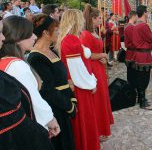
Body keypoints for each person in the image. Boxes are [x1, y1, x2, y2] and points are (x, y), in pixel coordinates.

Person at [0, 16, 60, 136]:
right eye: (29, 33)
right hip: (27, 128)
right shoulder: (17, 65)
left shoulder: (6, 61)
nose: (35, 36)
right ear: (18, 38)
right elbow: (33, 99)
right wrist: (50, 119)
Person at [27, 14, 76, 150]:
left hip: (63, 104)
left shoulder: (52, 50)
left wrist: (71, 96)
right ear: (45, 33)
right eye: (56, 30)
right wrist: (69, 106)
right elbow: (47, 91)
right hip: (55, 109)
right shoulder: (36, 58)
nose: (59, 33)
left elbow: (61, 79)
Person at [56, 9, 100, 150]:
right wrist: (91, 82)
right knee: (84, 121)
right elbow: (77, 70)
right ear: (76, 21)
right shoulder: (71, 40)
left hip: (77, 86)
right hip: (80, 88)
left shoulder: (68, 38)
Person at [81, 4, 114, 141]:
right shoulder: (86, 34)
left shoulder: (95, 32)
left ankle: (101, 128)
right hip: (93, 69)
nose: (101, 20)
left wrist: (102, 57)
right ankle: (97, 130)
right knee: (97, 101)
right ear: (93, 19)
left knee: (102, 98)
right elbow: (86, 54)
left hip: (99, 68)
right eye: (99, 18)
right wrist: (103, 56)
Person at [131, 5, 152, 109]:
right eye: (147, 12)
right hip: (143, 56)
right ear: (144, 13)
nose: (147, 14)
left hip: (139, 55)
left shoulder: (136, 25)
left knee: (141, 77)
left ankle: (140, 99)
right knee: (144, 79)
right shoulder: (143, 26)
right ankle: (142, 101)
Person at [124, 11, 138, 86]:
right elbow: (135, 41)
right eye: (136, 16)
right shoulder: (130, 27)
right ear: (133, 16)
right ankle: (131, 92)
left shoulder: (130, 26)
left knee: (132, 75)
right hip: (131, 54)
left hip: (131, 53)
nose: (137, 18)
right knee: (132, 76)